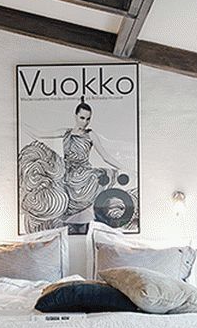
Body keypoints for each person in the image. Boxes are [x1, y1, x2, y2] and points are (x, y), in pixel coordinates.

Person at [19, 97, 130, 233]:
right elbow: (40, 134)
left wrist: (124, 168)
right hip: (66, 172)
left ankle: (88, 226)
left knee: (91, 188)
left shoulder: (90, 135)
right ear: (76, 116)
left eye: (88, 119)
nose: (85, 122)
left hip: (83, 174)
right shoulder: (66, 132)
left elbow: (105, 156)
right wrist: (19, 123)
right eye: (82, 118)